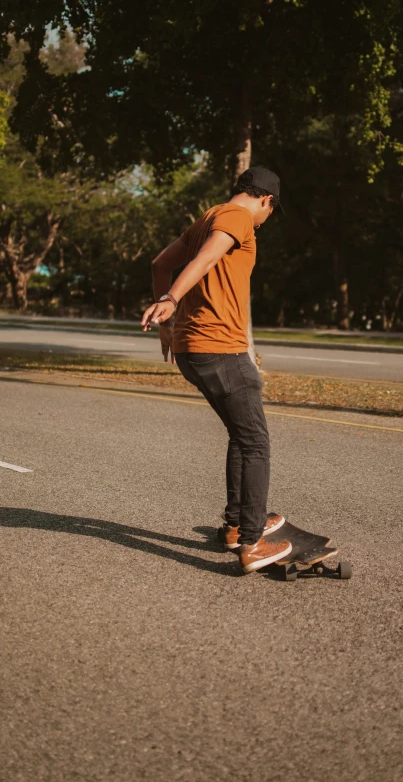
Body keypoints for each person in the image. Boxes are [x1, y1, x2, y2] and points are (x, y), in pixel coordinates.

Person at [141, 166, 291, 573]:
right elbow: (208, 258)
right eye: (271, 213)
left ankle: (235, 525)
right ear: (266, 200)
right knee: (256, 442)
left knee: (241, 435)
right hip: (221, 348)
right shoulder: (239, 217)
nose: (265, 221)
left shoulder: (207, 217)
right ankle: (251, 542)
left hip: (193, 349)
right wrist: (171, 300)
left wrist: (169, 325)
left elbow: (159, 263)